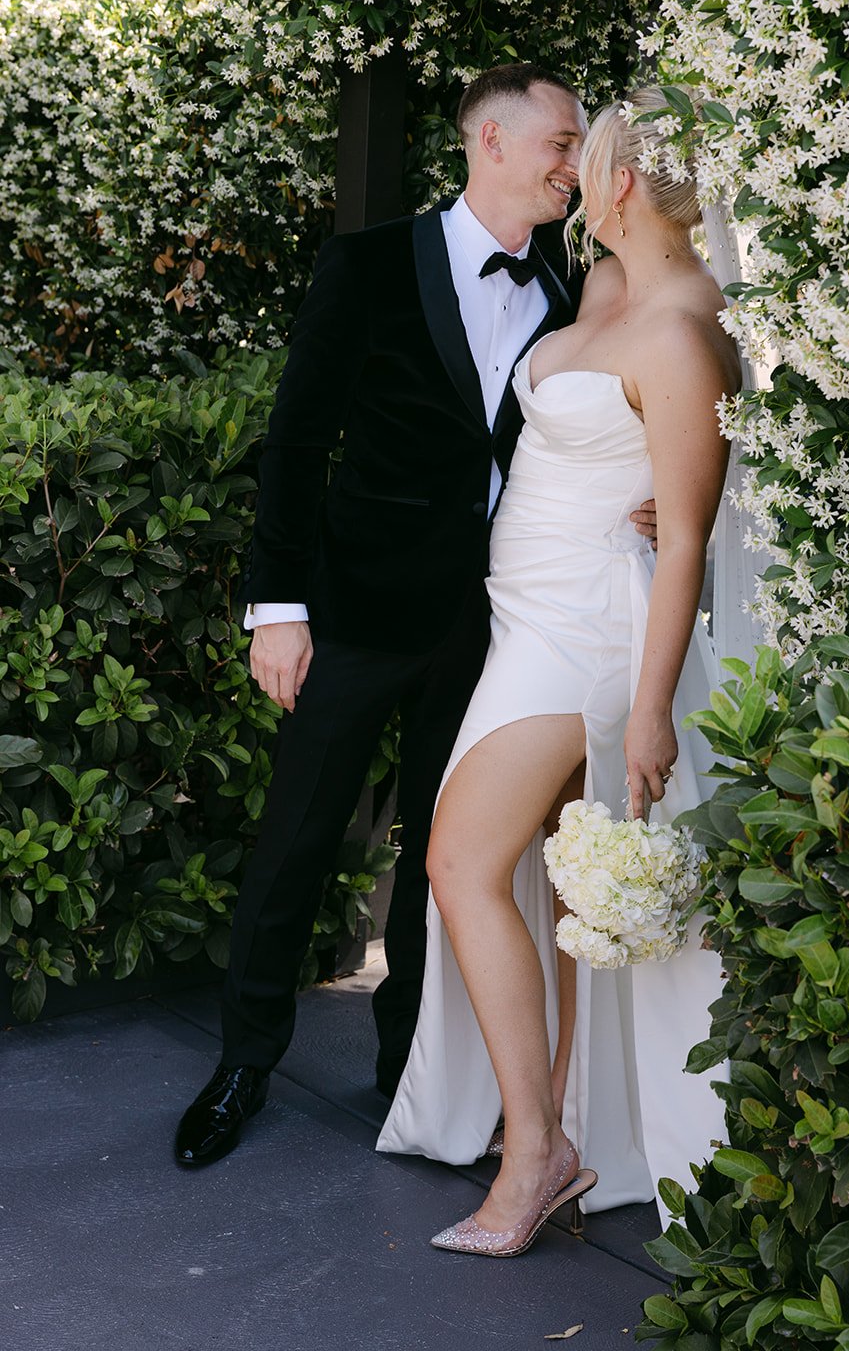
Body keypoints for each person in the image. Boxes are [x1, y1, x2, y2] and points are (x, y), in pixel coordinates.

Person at [173, 63, 658, 1168]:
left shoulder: (571, 283)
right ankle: (244, 1059)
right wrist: (278, 606)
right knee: (298, 839)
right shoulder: (367, 264)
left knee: (441, 865)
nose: (569, 162)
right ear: (488, 141)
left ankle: (409, 1077)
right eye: (557, 140)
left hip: (490, 626)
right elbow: (297, 443)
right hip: (351, 609)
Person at [377, 87, 743, 1257]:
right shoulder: (599, 290)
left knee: (457, 858)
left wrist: (647, 708)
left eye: (587, 163)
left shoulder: (683, 326)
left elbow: (682, 532)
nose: (576, 179)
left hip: (587, 627)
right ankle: (564, 1129)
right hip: (515, 614)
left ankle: (536, 1154)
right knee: (545, 877)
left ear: (621, 184)